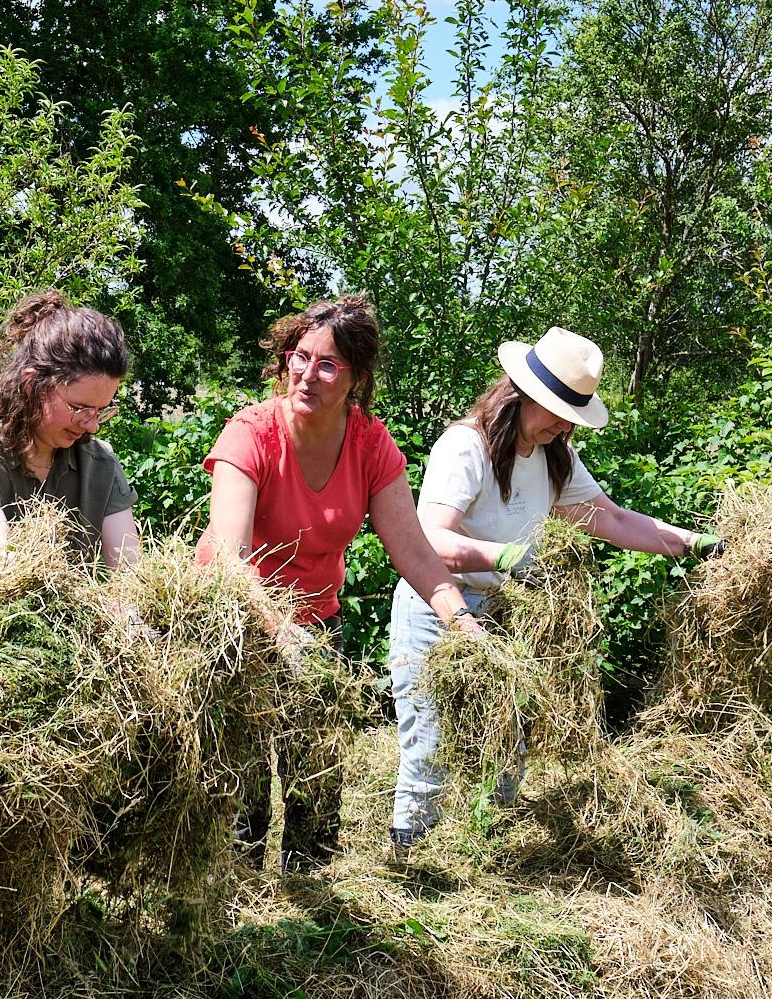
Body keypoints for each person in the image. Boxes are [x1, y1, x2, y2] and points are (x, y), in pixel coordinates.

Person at [388, 326, 722, 851]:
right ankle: (410, 859)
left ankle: (489, 853)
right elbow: (429, 540)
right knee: (428, 742)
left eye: (572, 416)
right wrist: (503, 556)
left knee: (508, 741)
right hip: (438, 607)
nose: (565, 425)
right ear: (520, 394)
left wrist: (691, 542)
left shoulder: (553, 453)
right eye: (556, 411)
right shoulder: (466, 447)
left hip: (504, 611)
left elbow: (610, 519)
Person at [198, 293, 479, 857]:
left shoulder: (370, 445)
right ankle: (241, 908)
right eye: (298, 357)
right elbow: (230, 558)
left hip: (316, 622)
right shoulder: (251, 434)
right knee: (241, 791)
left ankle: (312, 901)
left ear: (356, 379)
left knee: (317, 781)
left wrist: (463, 622)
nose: (306, 374)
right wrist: (278, 631)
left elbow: (417, 554)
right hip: (233, 623)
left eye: (327, 364)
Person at [0, 292, 137, 587]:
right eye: (80, 408)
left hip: (67, 628)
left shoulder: (100, 464)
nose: (92, 426)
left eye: (101, 410)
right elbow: (1, 574)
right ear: (32, 384)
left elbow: (128, 578)